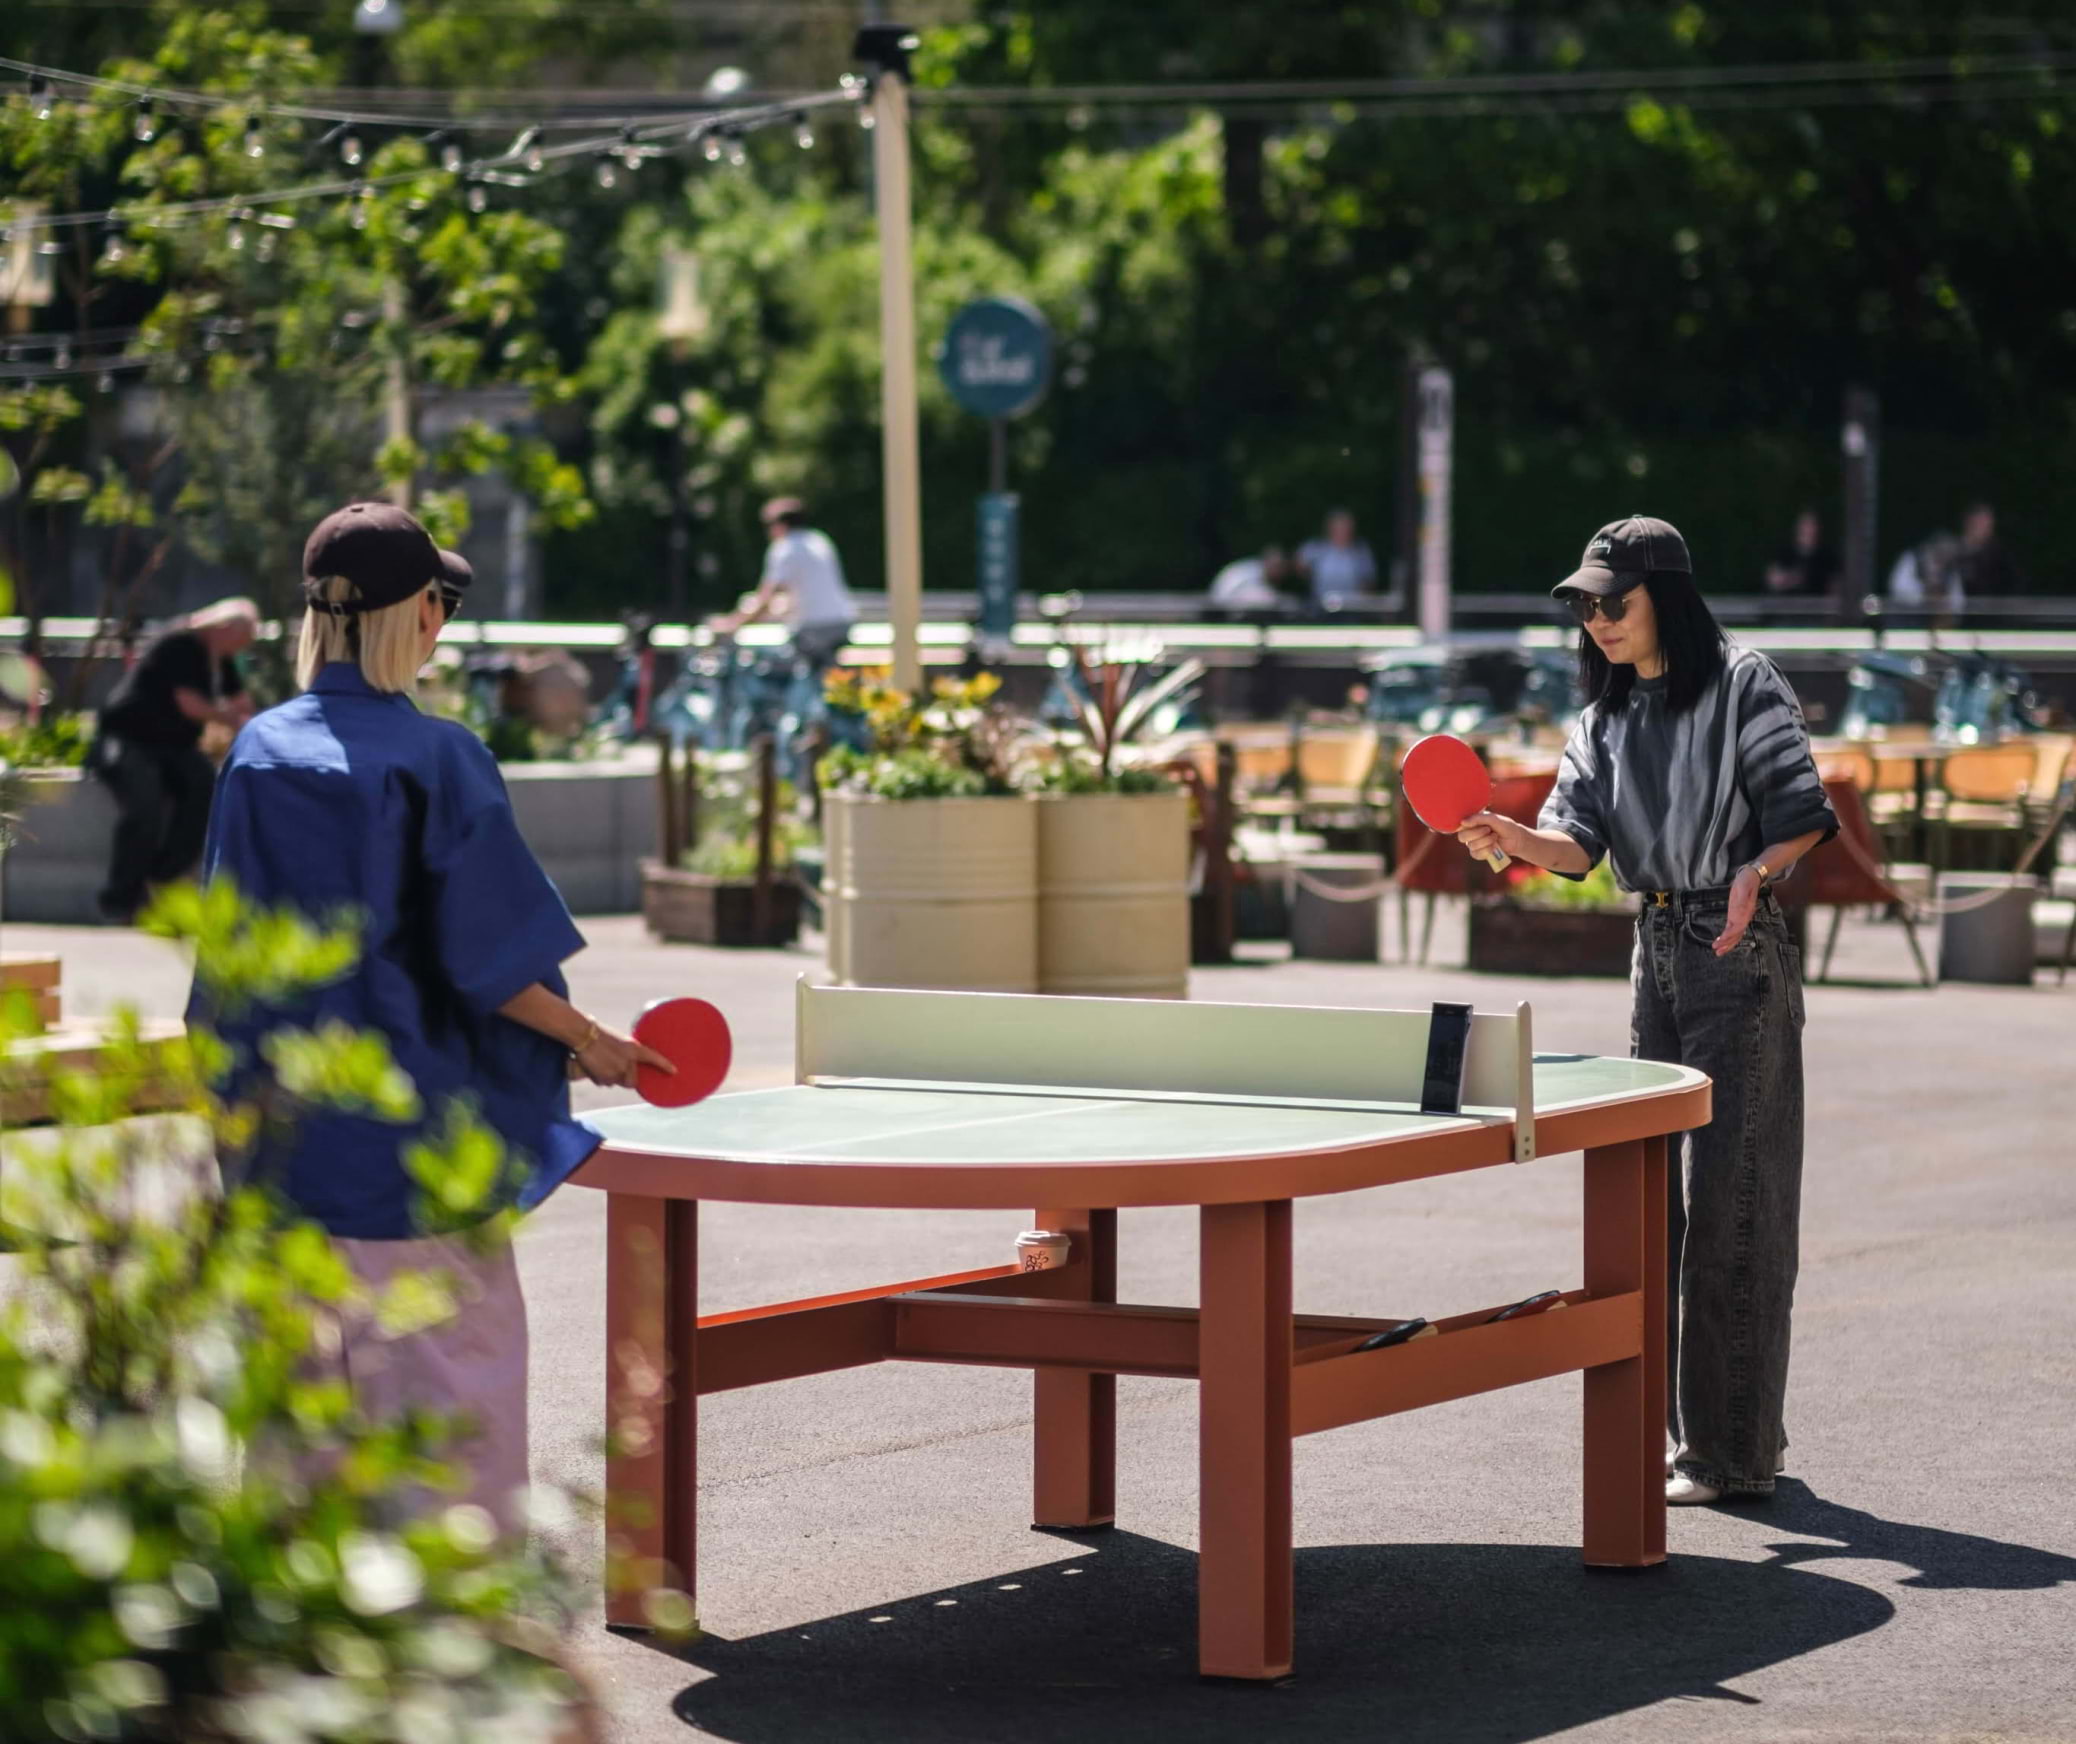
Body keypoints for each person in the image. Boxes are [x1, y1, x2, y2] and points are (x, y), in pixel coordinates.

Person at [188, 501, 671, 1525]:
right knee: (455, 1421)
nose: (443, 622)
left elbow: (229, 962)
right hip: (414, 1158)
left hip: (285, 1153)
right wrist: (593, 1043)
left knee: (298, 1424)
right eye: (440, 602)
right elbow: (491, 963)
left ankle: (289, 1652)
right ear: (414, 616)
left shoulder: (257, 753)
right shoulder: (437, 759)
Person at [1453, 515, 1837, 1509]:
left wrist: (1754, 872)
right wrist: (1507, 835)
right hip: (1654, 950)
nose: (1596, 621)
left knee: (1735, 1207)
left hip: (1734, 948)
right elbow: (1575, 847)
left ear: (1667, 593)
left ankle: (1733, 1450)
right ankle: (1696, 1440)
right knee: (1653, 1214)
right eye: (1583, 606)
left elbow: (1800, 813)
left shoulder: (1747, 682)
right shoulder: (1603, 719)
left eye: (1610, 601)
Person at [91, 596, 260, 923]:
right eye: (240, 641)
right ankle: (120, 898)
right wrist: (231, 719)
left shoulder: (220, 657)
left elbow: (242, 704)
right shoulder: (181, 643)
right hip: (129, 739)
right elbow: (190, 704)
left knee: (208, 792)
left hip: (174, 745)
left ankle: (163, 878)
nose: (240, 650)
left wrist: (257, 728)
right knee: (144, 806)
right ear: (223, 628)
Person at [713, 497, 857, 675]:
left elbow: (766, 598)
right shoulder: (820, 540)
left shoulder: (785, 548)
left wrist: (733, 623)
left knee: (768, 665)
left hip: (813, 629)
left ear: (779, 526)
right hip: (841, 623)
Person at [1295, 509, 1378, 611]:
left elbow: (1369, 580)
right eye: (1338, 527)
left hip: (1353, 608)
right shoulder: (1317, 548)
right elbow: (1299, 564)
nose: (1342, 530)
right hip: (1320, 607)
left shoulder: (1361, 551)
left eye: (1346, 526)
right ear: (1329, 528)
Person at [1762, 509, 1839, 601]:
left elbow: (1836, 587)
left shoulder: (1827, 555)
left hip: (1818, 610)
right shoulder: (1784, 552)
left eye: (1812, 525)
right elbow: (1773, 581)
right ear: (1798, 528)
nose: (1809, 529)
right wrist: (1791, 579)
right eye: (1806, 525)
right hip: (1788, 609)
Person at [1955, 501, 2023, 597]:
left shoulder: (2000, 555)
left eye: (1987, 523)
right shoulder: (1952, 550)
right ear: (1968, 522)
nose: (1983, 527)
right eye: (1979, 522)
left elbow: (2014, 585)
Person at [1208, 545, 1290, 614]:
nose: (1281, 571)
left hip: (1227, 606)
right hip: (1224, 610)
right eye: (1278, 566)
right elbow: (1266, 600)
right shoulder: (1252, 572)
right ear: (1268, 562)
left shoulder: (1252, 567)